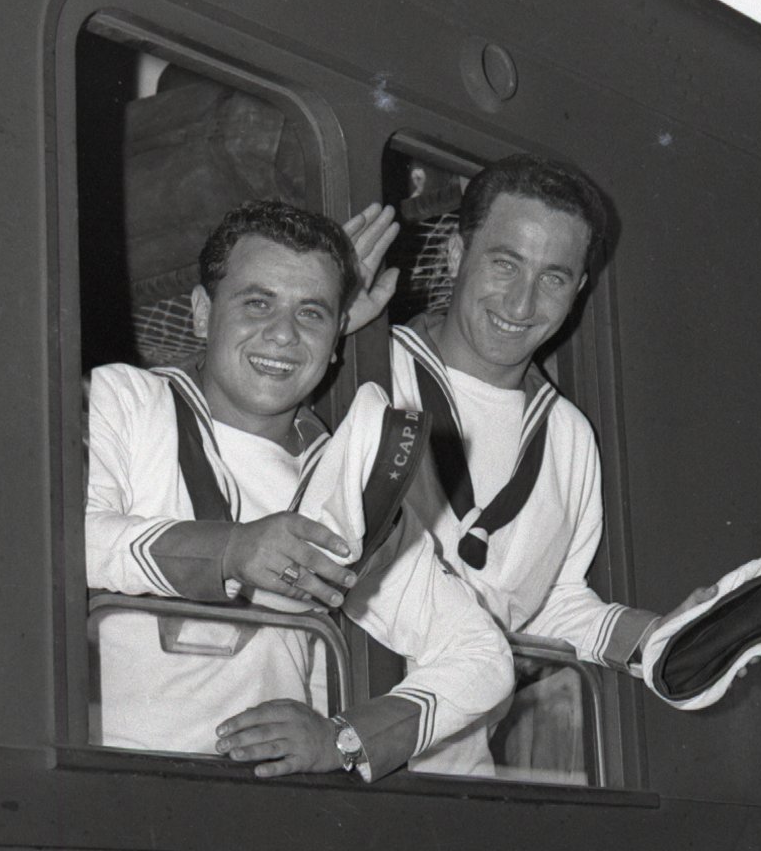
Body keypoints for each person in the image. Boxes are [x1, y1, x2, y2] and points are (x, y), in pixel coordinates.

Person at [86, 197, 511, 781]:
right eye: (257, 302)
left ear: (337, 338)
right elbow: (70, 542)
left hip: (263, 800)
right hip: (107, 779)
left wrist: (347, 739)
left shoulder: (349, 480)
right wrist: (229, 549)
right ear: (203, 313)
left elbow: (481, 656)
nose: (283, 333)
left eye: (311, 313)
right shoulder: (127, 402)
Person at [387, 154, 710, 775]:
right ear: (455, 255)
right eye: (504, 264)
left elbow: (550, 604)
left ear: (579, 290)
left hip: (459, 766)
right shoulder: (378, 369)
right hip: (337, 736)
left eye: (553, 278)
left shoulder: (568, 436)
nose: (522, 302)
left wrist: (658, 635)